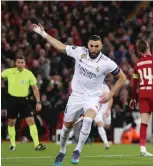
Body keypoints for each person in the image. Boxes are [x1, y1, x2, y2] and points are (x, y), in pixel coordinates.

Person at [31, 23, 126, 165]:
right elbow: (61, 46)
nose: (94, 48)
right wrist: (43, 33)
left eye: (97, 46)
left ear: (101, 47)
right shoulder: (79, 51)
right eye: (91, 45)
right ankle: (62, 151)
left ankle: (77, 151)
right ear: (88, 45)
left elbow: (122, 78)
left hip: (93, 97)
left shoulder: (107, 62)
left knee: (88, 120)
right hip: (76, 96)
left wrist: (111, 93)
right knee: (65, 129)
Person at [1, 55, 46, 151]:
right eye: (18, 62)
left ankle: (37, 145)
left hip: (24, 101)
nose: (20, 64)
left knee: (31, 121)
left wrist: (38, 102)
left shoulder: (29, 74)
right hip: (12, 100)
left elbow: (35, 88)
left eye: (22, 62)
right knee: (11, 123)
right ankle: (13, 144)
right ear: (15, 63)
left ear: (25, 63)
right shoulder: (9, 72)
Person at [74, 83, 112, 149]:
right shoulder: (91, 88)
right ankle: (106, 143)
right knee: (100, 124)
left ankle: (106, 140)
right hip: (96, 109)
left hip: (105, 108)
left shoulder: (105, 87)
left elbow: (110, 98)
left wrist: (108, 109)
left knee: (107, 126)